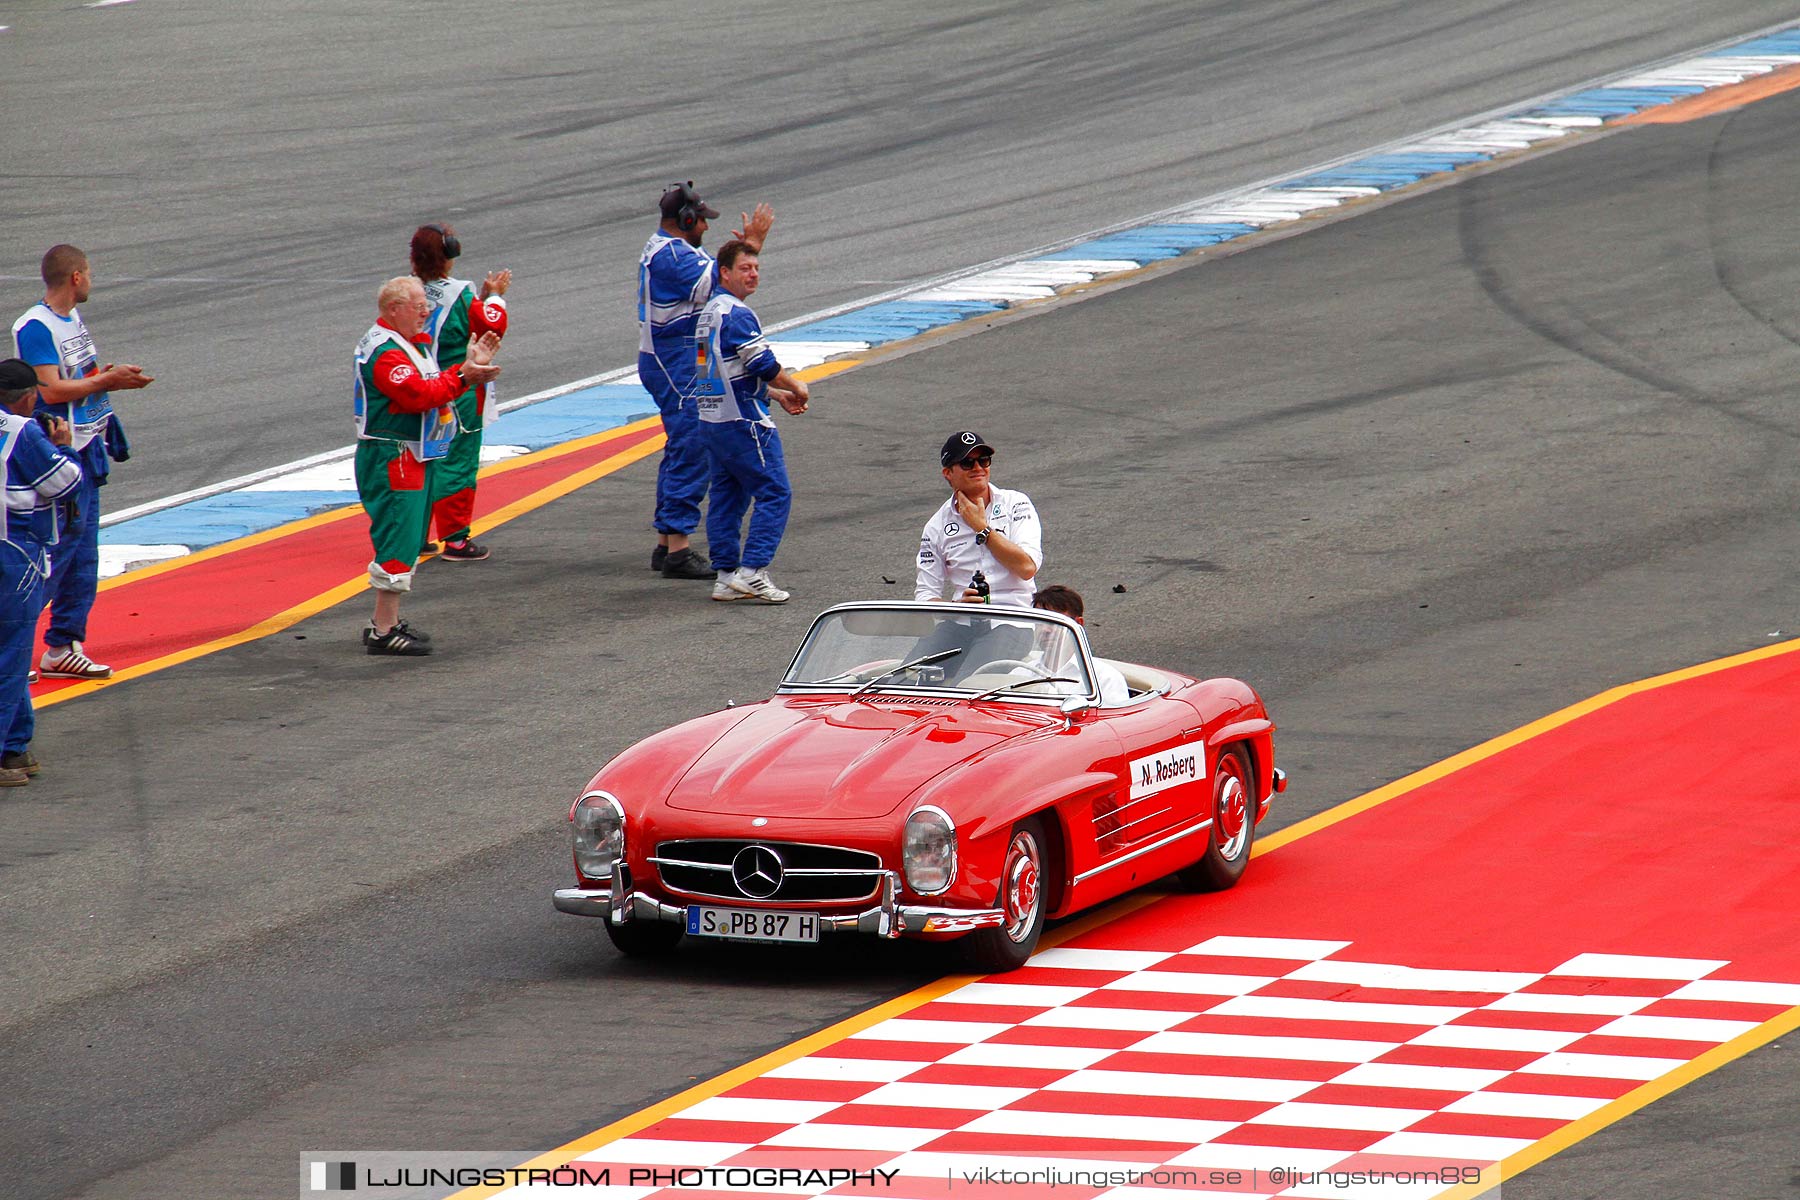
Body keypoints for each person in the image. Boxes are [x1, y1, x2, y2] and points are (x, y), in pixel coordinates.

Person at [11, 244, 152, 681]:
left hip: (88, 445)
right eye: (88, 273)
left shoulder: (71, 319)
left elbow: (77, 376)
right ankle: (14, 645)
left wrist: (102, 377)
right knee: (55, 553)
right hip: (58, 448)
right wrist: (107, 380)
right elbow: (49, 391)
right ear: (75, 277)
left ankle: (63, 646)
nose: (91, 279)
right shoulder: (36, 326)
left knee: (83, 557)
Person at [353, 277, 501, 655]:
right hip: (395, 456)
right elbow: (419, 395)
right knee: (400, 538)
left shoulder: (406, 344)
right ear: (393, 310)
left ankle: (386, 622)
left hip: (412, 453)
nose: (427, 310)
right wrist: (464, 375)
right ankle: (383, 629)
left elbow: (432, 386)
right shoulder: (386, 352)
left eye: (426, 304)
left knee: (409, 536)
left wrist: (467, 369)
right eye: (418, 305)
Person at [637, 181, 773, 581]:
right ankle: (678, 547)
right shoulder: (673, 256)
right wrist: (752, 247)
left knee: (686, 441)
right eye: (703, 221)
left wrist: (745, 248)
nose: (707, 229)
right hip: (673, 359)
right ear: (687, 219)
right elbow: (720, 282)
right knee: (694, 439)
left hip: (682, 355)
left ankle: (667, 543)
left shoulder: (673, 249)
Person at [692, 241, 810, 604]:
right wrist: (794, 386)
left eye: (756, 267)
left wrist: (774, 395)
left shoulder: (708, 315)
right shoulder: (738, 314)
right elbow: (761, 364)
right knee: (775, 492)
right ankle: (753, 571)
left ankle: (726, 576)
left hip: (712, 419)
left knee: (727, 497)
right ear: (724, 273)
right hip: (744, 422)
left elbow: (715, 372)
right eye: (745, 268)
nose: (753, 273)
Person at [0, 359, 85, 784]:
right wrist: (64, 446)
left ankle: (15, 748)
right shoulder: (22, 431)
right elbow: (66, 483)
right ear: (29, 396)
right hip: (13, 551)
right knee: (10, 656)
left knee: (10, 656)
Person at [410, 222, 510, 562]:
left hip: (415, 386)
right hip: (456, 389)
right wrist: (494, 295)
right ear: (450, 253)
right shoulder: (460, 294)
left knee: (420, 459)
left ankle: (415, 536)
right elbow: (491, 324)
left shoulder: (405, 292)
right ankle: (455, 540)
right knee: (456, 461)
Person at [915, 431, 1042, 607]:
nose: (978, 468)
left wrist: (981, 528)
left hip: (1015, 616)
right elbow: (925, 594)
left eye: (984, 460)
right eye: (967, 463)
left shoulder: (1016, 503)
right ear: (948, 473)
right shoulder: (936, 526)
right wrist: (957, 607)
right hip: (966, 618)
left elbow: (1027, 568)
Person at [1032, 584, 1131, 706]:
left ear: (1078, 624)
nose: (1045, 630)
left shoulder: (1104, 677)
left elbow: (1114, 722)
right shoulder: (1020, 673)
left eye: (1055, 622)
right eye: (1040, 622)